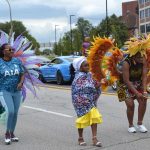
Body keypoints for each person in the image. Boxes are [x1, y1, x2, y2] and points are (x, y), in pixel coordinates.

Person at [71, 56, 103, 147]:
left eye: (88, 65)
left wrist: (101, 82)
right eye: (85, 65)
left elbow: (93, 84)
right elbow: (88, 88)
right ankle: (80, 138)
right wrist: (99, 84)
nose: (88, 67)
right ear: (80, 67)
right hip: (81, 102)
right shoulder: (79, 77)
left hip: (90, 100)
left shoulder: (89, 74)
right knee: (81, 119)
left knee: (94, 116)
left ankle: (94, 138)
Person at [0, 43, 25, 144]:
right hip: (4, 91)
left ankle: (12, 133)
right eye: (9, 50)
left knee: (15, 113)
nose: (12, 51)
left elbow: (22, 73)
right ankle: (7, 133)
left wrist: (20, 82)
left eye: (13, 49)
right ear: (3, 51)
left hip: (16, 91)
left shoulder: (17, 61)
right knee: (10, 111)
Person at [117, 52, 148, 133]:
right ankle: (130, 125)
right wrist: (137, 93)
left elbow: (144, 77)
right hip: (124, 85)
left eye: (142, 56)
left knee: (143, 100)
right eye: (139, 57)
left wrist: (144, 91)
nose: (141, 58)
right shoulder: (126, 63)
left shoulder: (144, 60)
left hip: (137, 83)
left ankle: (140, 124)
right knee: (130, 104)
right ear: (133, 56)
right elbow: (126, 81)